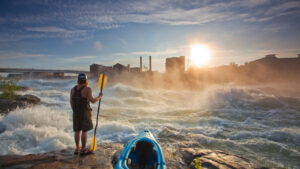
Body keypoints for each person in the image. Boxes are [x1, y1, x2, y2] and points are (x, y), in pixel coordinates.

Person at [70, 73, 102, 155]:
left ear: (78, 80)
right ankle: (84, 149)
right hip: (85, 113)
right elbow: (93, 101)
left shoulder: (73, 89)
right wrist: (99, 97)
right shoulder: (88, 89)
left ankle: (77, 149)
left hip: (75, 112)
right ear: (86, 80)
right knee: (84, 131)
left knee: (77, 131)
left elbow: (71, 102)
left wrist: (75, 111)